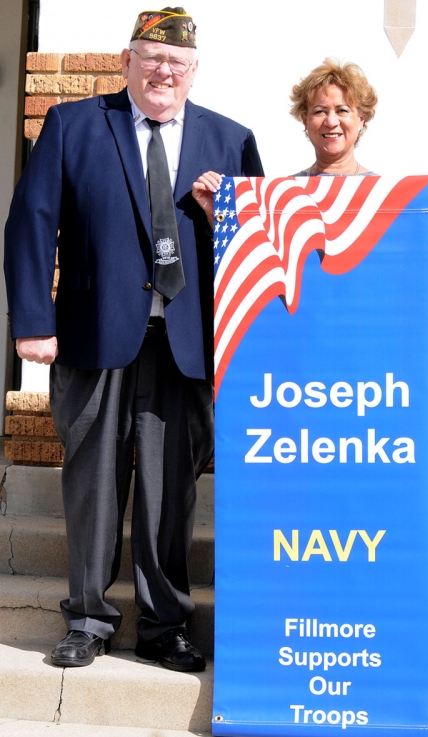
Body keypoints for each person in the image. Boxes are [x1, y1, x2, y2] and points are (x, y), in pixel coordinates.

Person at [4, 7, 264, 672]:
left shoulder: (232, 140)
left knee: (169, 485)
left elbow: (256, 249)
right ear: (127, 62)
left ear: (194, 71)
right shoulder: (75, 124)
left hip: (185, 343)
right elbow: (31, 224)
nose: (162, 71)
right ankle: (88, 617)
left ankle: (164, 624)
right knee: (92, 479)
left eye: (176, 62)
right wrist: (33, 322)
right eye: (150, 57)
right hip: (94, 333)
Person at [193, 59, 428, 227]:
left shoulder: (386, 197)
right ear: (305, 119)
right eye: (319, 111)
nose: (331, 121)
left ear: (362, 119)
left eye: (343, 110)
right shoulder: (280, 195)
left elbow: (410, 258)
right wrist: (213, 213)